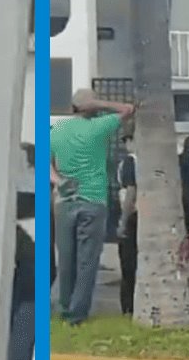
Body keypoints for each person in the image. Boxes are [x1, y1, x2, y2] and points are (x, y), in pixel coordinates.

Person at [50, 88, 134, 325]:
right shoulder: (99, 127)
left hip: (64, 202)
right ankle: (77, 314)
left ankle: (65, 307)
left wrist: (59, 181)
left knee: (66, 260)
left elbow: (46, 165)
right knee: (87, 261)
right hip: (93, 200)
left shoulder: (57, 129)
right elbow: (128, 110)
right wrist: (98, 102)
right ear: (92, 108)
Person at [116, 133, 138, 316]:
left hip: (132, 215)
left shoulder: (130, 162)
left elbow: (131, 191)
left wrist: (123, 221)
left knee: (128, 266)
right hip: (141, 216)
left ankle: (128, 307)